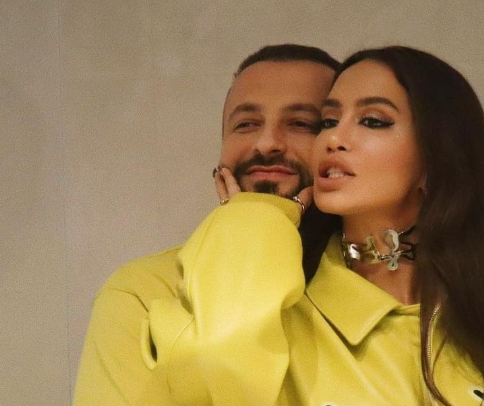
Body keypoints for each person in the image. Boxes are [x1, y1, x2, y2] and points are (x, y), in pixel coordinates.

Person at [143, 46, 484, 405]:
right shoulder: (280, 309)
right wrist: (256, 216)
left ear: (435, 158)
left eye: (373, 121)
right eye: (327, 121)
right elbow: (211, 383)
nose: (334, 138)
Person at [72, 44, 339, 406]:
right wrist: (256, 219)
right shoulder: (142, 292)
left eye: (301, 124)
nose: (267, 144)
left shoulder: (379, 284)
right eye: (246, 124)